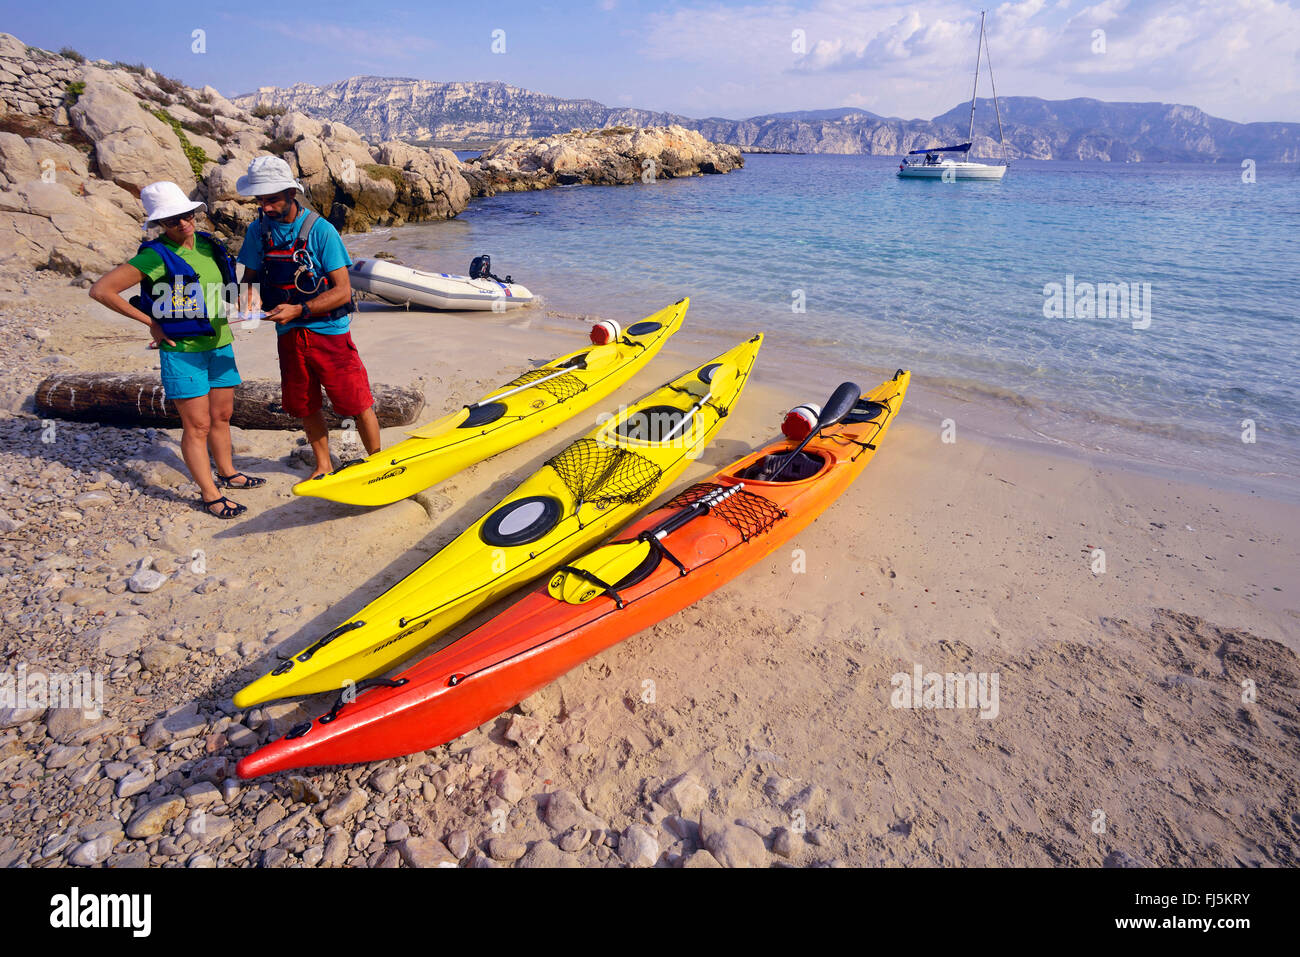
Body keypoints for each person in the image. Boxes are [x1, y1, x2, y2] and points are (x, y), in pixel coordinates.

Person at [89, 181, 264, 519]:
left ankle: (227, 473)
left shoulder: (211, 246)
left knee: (222, 416)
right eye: (172, 221)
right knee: (196, 425)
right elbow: (102, 290)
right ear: (160, 224)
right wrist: (151, 323)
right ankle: (210, 494)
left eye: (186, 215)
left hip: (220, 343)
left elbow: (227, 290)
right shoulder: (155, 255)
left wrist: (245, 302)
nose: (183, 224)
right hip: (182, 351)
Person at [234, 156, 380, 479]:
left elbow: (343, 292)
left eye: (272, 199)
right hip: (289, 335)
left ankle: (379, 463)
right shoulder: (258, 232)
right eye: (260, 200)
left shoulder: (322, 232)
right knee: (305, 404)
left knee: (356, 402)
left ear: (291, 193)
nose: (266, 207)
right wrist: (249, 296)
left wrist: (299, 310)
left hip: (329, 332)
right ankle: (323, 465)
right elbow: (250, 279)